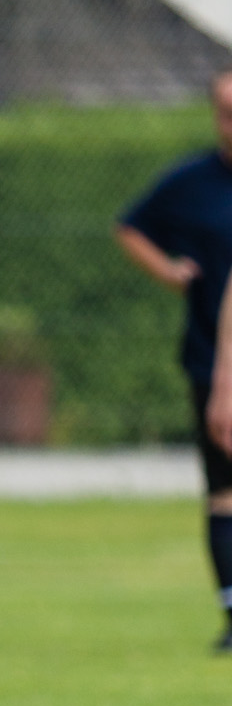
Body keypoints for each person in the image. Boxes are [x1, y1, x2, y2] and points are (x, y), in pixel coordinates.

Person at [115, 69, 232, 650]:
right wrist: (167, 272)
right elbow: (129, 227)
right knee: (225, 492)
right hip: (214, 363)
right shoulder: (191, 183)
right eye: (227, 112)